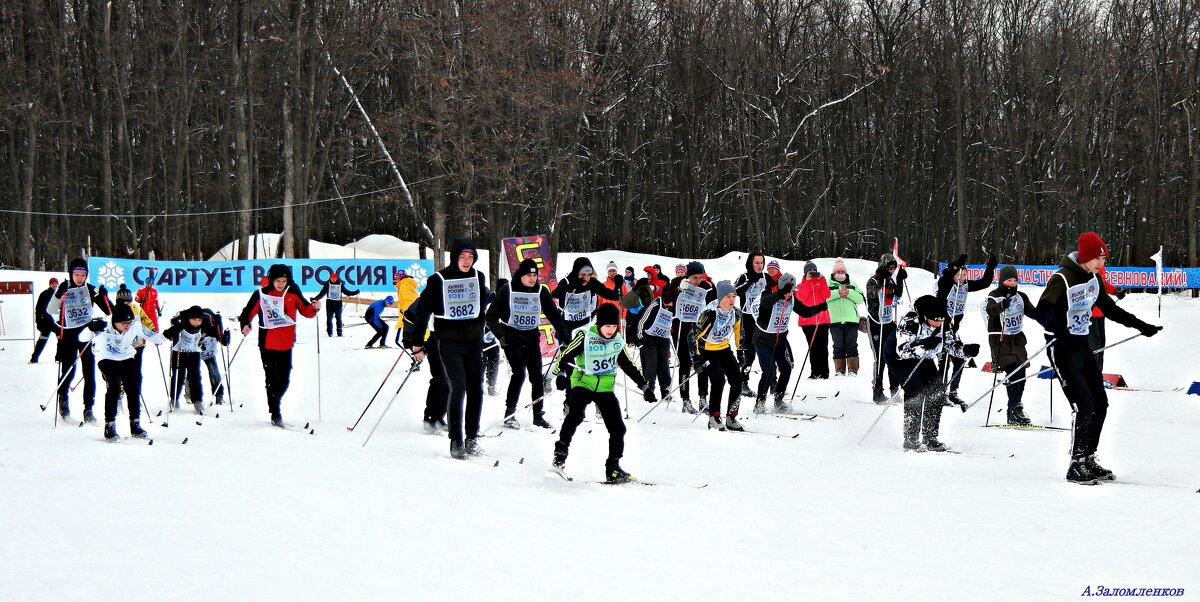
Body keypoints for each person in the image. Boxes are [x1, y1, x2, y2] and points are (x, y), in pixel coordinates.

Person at [1034, 232, 1162, 484]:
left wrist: (1141, 325)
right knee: (1083, 404)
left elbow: (1109, 308)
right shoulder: (1062, 278)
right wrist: (1059, 330)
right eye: (1097, 259)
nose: (1101, 264)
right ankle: (1076, 463)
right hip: (1061, 348)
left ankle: (1088, 458)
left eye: (1103, 259)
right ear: (1084, 257)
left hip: (1081, 346)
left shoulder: (1094, 278)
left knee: (1100, 403)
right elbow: (1042, 311)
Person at [550, 303, 650, 483]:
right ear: (599, 324)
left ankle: (613, 468)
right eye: (607, 326)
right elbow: (565, 355)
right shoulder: (585, 336)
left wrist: (644, 386)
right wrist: (561, 374)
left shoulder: (617, 340)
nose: (611, 330)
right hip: (583, 382)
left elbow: (628, 364)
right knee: (576, 415)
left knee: (618, 428)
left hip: (605, 388)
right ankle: (560, 452)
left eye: (614, 326)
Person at [409, 239, 490, 459]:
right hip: (449, 343)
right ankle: (456, 440)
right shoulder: (438, 280)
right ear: (455, 257)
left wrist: (487, 333)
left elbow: (483, 309)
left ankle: (472, 438)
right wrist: (417, 343)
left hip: (473, 342)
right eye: (463, 257)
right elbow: (422, 312)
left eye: (471, 257)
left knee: (477, 389)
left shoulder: (478, 277)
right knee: (459, 388)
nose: (467, 261)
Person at [888, 295, 978, 452]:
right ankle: (911, 439)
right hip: (900, 359)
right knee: (915, 389)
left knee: (936, 391)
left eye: (941, 320)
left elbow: (951, 343)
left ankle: (930, 437)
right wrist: (923, 343)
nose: (938, 323)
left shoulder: (943, 322)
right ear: (924, 316)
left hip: (926, 357)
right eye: (935, 320)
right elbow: (902, 350)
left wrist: (965, 350)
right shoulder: (911, 320)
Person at [485, 259, 568, 429]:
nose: (532, 279)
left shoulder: (540, 291)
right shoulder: (507, 289)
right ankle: (510, 413)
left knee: (537, 376)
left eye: (535, 275)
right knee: (519, 373)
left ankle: (538, 415)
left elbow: (554, 315)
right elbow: (491, 316)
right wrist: (500, 335)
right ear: (521, 275)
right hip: (511, 337)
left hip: (531, 337)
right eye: (528, 275)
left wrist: (566, 336)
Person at [238, 264, 321, 427]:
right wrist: (245, 323)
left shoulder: (293, 291)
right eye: (278, 281)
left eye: (284, 280)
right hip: (268, 343)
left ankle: (274, 404)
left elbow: (305, 311)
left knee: (284, 381)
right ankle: (275, 412)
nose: (281, 284)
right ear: (272, 280)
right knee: (272, 379)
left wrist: (314, 308)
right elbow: (247, 312)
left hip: (287, 344)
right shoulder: (262, 293)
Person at [80, 303, 167, 440]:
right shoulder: (105, 324)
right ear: (115, 322)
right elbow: (82, 339)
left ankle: (135, 424)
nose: (127, 326)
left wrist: (170, 333)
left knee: (133, 387)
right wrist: (91, 328)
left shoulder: (135, 326)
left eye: (129, 322)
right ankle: (110, 425)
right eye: (124, 323)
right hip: (106, 359)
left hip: (126, 358)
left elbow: (155, 337)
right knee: (114, 387)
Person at [751, 273, 828, 413]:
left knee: (786, 368)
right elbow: (766, 303)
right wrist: (781, 292)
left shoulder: (791, 297)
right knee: (769, 371)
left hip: (780, 340)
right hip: (762, 340)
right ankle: (759, 403)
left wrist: (820, 307)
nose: (792, 293)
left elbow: (805, 312)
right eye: (791, 290)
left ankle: (778, 401)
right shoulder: (767, 293)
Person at [46, 258, 111, 422]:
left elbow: (109, 311)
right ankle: (63, 398)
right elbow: (51, 310)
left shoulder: (90, 289)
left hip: (86, 334)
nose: (80, 278)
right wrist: (59, 294)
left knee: (89, 373)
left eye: (83, 275)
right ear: (71, 274)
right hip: (68, 334)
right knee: (69, 371)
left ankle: (88, 409)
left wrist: (104, 297)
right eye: (76, 274)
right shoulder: (65, 288)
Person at [935, 254, 996, 403]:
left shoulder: (965, 285)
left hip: (953, 330)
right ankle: (939, 394)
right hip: (940, 329)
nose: (961, 278)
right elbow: (946, 279)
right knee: (943, 363)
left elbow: (985, 283)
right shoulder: (946, 284)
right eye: (958, 275)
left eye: (964, 275)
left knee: (960, 359)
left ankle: (953, 392)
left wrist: (990, 267)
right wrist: (955, 267)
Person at [984, 265, 1037, 425]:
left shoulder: (1021, 296)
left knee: (1021, 375)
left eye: (1015, 280)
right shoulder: (994, 295)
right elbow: (990, 310)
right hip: (1001, 341)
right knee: (1013, 373)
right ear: (1002, 281)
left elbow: (1033, 312)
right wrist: (1001, 306)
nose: (1012, 284)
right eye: (1009, 280)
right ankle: (1014, 408)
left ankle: (1015, 407)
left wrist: (1049, 315)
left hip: (1018, 340)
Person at [663, 261, 715, 414]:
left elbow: (715, 301)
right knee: (685, 364)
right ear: (688, 275)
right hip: (679, 329)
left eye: (700, 277)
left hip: (698, 330)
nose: (697, 281)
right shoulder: (677, 282)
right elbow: (666, 300)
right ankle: (685, 399)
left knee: (702, 363)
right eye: (694, 277)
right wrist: (679, 289)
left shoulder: (705, 285)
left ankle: (703, 398)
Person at [693, 281, 745, 431]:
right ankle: (714, 418)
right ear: (720, 298)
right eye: (727, 296)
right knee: (718, 380)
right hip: (706, 350)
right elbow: (692, 336)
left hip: (723, 349)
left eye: (734, 296)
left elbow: (739, 333)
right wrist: (696, 359)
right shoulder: (709, 314)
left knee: (737, 380)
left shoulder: (736, 313)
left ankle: (731, 417)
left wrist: (740, 352)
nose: (731, 300)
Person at [164, 305, 223, 415]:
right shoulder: (183, 322)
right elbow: (169, 332)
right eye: (194, 320)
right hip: (179, 353)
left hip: (194, 353)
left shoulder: (204, 324)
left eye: (199, 320)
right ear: (189, 318)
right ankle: (174, 398)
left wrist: (223, 336)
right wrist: (170, 334)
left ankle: (198, 400)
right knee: (178, 376)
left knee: (195, 376)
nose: (196, 322)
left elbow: (217, 335)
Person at [401, 297, 449, 433]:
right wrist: (411, 341)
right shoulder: (429, 295)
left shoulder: (453, 290)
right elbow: (409, 316)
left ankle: (440, 416)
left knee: (449, 381)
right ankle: (430, 417)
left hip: (449, 341)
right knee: (440, 378)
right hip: (429, 341)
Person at [865, 254, 907, 403]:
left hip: (888, 322)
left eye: (893, 268)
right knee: (880, 357)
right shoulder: (873, 280)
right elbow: (871, 295)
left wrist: (900, 279)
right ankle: (877, 389)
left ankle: (894, 388)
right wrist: (881, 282)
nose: (891, 270)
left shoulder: (889, 280)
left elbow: (898, 293)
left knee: (892, 355)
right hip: (876, 323)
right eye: (889, 268)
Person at [734, 252, 768, 397]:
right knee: (750, 353)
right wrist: (750, 282)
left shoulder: (767, 277)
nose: (759, 266)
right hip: (747, 319)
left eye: (761, 263)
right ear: (750, 263)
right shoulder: (745, 276)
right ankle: (743, 382)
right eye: (756, 263)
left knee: (767, 350)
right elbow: (735, 291)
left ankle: (772, 381)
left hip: (764, 319)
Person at [634, 287, 674, 404]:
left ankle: (665, 389)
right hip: (649, 337)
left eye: (672, 302)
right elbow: (642, 321)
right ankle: (649, 389)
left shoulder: (674, 307)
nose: (669, 304)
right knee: (651, 364)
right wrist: (641, 338)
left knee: (664, 364)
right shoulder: (656, 304)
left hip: (663, 338)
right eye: (668, 301)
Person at [827, 258, 865, 376]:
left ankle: (853, 369)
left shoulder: (852, 284)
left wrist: (849, 293)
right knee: (838, 345)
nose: (840, 274)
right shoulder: (828, 284)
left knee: (851, 344)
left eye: (842, 272)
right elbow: (824, 298)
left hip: (851, 320)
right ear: (834, 273)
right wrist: (837, 293)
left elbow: (860, 299)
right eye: (838, 272)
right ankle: (839, 370)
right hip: (834, 320)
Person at [796, 261, 832, 379]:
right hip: (808, 321)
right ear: (805, 273)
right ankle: (815, 371)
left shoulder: (820, 282)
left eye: (813, 271)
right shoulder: (801, 285)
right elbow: (802, 297)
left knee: (823, 346)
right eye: (809, 271)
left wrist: (822, 280)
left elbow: (827, 295)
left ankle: (824, 372)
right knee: (813, 346)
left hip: (822, 319)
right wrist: (807, 281)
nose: (812, 273)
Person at [1088, 264, 1120, 372]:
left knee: (1101, 343)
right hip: (1089, 313)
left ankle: (1098, 373)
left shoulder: (1100, 263)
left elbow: (1102, 283)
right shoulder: (1087, 263)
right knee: (1094, 344)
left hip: (1100, 312)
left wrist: (1115, 291)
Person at [199, 308, 231, 405]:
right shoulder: (197, 324)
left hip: (209, 353)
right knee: (192, 375)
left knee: (214, 372)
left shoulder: (215, 326)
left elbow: (223, 341)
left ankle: (219, 395)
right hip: (195, 353)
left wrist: (227, 336)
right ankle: (192, 396)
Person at [313, 272, 359, 337]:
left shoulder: (340, 284)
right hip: (329, 304)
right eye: (332, 278)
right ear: (330, 278)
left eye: (334, 278)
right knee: (329, 319)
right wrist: (315, 299)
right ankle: (330, 332)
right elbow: (322, 294)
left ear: (336, 278)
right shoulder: (327, 284)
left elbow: (346, 292)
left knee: (339, 318)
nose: (333, 279)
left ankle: (339, 332)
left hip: (338, 304)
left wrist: (355, 292)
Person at [30, 278, 59, 364]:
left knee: (60, 337)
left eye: (56, 283)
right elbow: (38, 308)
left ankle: (59, 358)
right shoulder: (44, 294)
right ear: (49, 284)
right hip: (46, 321)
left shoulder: (59, 294)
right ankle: (34, 359)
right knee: (43, 339)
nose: (54, 285)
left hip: (55, 321)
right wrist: (38, 321)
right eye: (52, 283)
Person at [393, 269, 419, 346]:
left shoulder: (404, 285)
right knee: (405, 340)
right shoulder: (406, 285)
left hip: (408, 317)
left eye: (396, 279)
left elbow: (408, 301)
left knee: (407, 341)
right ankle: (416, 355)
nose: (395, 281)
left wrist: (407, 314)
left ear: (399, 278)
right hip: (408, 316)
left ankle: (416, 356)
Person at [598, 260, 628, 326]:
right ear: (607, 272)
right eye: (610, 271)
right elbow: (599, 302)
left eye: (614, 271)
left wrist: (623, 317)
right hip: (605, 314)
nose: (612, 273)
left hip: (617, 315)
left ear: (616, 272)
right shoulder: (603, 285)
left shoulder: (622, 286)